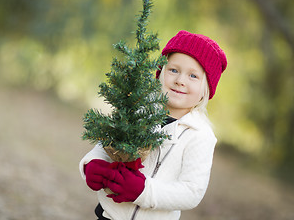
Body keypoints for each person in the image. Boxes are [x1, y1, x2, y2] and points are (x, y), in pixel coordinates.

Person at [79, 30, 227, 220]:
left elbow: (191, 191)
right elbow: (108, 144)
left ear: (206, 89)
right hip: (109, 214)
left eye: (193, 76)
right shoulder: (139, 110)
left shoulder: (200, 135)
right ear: (161, 72)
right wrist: (92, 163)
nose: (180, 81)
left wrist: (144, 191)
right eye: (173, 70)